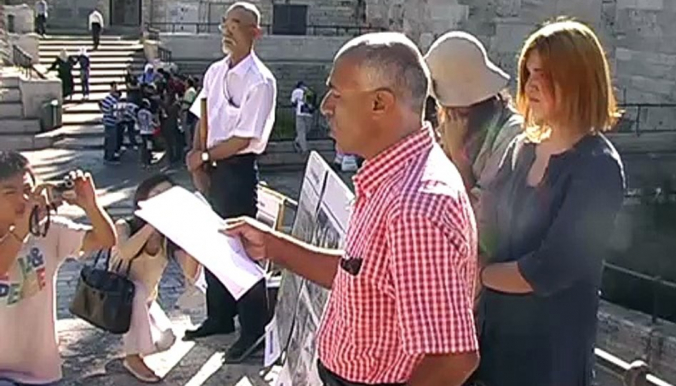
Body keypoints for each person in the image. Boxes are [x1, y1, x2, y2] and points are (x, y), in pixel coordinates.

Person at [223, 32, 479, 386]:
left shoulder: (415, 205)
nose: (325, 105)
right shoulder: (393, 175)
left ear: (380, 104)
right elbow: (361, 275)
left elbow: (453, 359)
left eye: (337, 94)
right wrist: (273, 246)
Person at [472, 19, 626, 386]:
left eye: (545, 73)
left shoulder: (597, 167)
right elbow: (490, 218)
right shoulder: (522, 148)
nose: (531, 84)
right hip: (494, 343)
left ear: (577, 80)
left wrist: (479, 275)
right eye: (528, 73)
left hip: (547, 359)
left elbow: (550, 269)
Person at [185, 2, 276, 362]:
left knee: (239, 249)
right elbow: (203, 114)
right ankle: (219, 316)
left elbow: (244, 137)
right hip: (212, 165)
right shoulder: (214, 72)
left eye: (237, 24)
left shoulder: (260, 80)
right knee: (213, 244)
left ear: (255, 33)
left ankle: (253, 327)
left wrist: (205, 158)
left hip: (237, 170)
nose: (228, 29)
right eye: (226, 22)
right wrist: (197, 159)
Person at [0, 151, 117, 386]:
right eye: (9, 193)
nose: (23, 200)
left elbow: (106, 240)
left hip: (40, 370)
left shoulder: (49, 231)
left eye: (27, 190)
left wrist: (90, 205)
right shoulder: (27, 231)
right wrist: (21, 231)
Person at [110, 174, 200, 383]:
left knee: (167, 339)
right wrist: (151, 224)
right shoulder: (125, 225)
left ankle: (134, 350)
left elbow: (190, 273)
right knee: (137, 291)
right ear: (144, 197)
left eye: (167, 196)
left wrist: (193, 240)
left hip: (147, 302)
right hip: (119, 299)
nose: (162, 200)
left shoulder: (169, 238)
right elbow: (125, 252)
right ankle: (133, 358)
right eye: (157, 194)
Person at [424, 31, 522, 220]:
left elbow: (480, 217)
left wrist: (458, 156)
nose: (443, 111)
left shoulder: (511, 135)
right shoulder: (453, 124)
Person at [160, 90, 183, 166]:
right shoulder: (174, 107)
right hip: (171, 127)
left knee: (172, 144)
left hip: (170, 127)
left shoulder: (168, 107)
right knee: (173, 144)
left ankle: (173, 158)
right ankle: (174, 158)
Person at [100, 82, 121, 164]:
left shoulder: (106, 98)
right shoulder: (114, 102)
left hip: (106, 121)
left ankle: (106, 155)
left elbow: (101, 108)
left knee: (107, 140)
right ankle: (110, 157)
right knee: (112, 141)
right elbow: (115, 114)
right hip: (112, 122)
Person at [290, 81, 313, 153]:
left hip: (300, 113)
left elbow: (293, 102)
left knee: (301, 131)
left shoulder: (296, 91)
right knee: (306, 130)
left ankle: (304, 149)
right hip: (309, 113)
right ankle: (300, 144)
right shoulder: (309, 91)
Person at [138, 99, 157, 167]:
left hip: (142, 131)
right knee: (149, 146)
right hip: (149, 132)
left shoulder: (139, 112)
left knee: (143, 146)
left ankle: (143, 161)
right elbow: (150, 123)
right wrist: (156, 125)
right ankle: (148, 161)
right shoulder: (148, 113)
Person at [181, 77, 199, 150]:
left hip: (188, 112)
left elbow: (190, 102)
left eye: (186, 82)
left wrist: (182, 101)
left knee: (188, 130)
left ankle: (190, 146)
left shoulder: (191, 91)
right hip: (185, 111)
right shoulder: (187, 91)